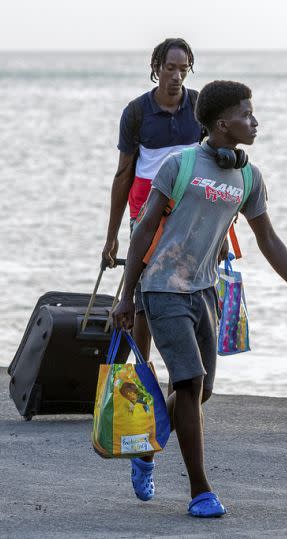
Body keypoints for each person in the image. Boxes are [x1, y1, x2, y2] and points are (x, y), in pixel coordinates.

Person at [112, 80, 287, 517]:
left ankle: (147, 447)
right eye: (247, 114)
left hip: (205, 290)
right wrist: (126, 296)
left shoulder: (248, 175)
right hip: (161, 287)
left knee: (203, 390)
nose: (255, 121)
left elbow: (267, 237)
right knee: (188, 383)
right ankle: (200, 492)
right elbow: (143, 231)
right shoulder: (181, 164)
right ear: (221, 123)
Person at [102, 37, 202, 361]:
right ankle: (144, 376)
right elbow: (123, 176)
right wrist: (112, 237)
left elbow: (213, 164)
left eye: (183, 69)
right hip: (146, 214)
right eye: (170, 68)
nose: (176, 76)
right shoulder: (136, 112)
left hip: (189, 216)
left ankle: (183, 387)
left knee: (191, 294)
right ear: (156, 68)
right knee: (144, 297)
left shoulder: (200, 108)